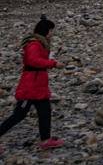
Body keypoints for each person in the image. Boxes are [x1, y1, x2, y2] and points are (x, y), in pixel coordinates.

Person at [0, 16, 67, 150]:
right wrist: (53, 63)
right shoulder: (34, 44)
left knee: (45, 111)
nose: (52, 34)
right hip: (30, 86)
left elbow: (39, 60)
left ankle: (45, 140)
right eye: (51, 31)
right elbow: (33, 61)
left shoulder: (41, 44)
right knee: (18, 115)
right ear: (45, 31)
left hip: (38, 86)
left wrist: (50, 59)